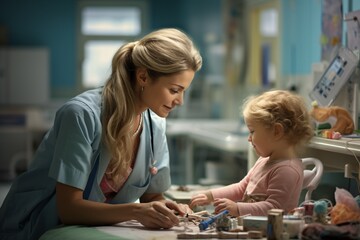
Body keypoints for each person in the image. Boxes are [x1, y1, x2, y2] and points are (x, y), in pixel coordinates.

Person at [0, 28, 202, 240]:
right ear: (143, 76)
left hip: (94, 230)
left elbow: (152, 196)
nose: (180, 101)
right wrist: (135, 211)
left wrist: (166, 209)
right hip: (33, 228)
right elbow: (69, 209)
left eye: (183, 91)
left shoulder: (155, 125)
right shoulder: (81, 115)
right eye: (174, 90)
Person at [190, 90, 314, 217]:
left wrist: (238, 208)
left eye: (252, 131)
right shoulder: (264, 160)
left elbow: (274, 207)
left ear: (277, 131)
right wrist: (210, 195)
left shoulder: (287, 170)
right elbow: (241, 188)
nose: (249, 138)